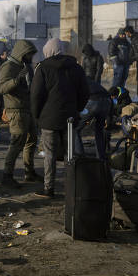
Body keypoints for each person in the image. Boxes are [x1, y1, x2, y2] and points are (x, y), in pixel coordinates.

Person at [31, 38, 90, 198]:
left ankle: (48, 189)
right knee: (70, 155)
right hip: (70, 119)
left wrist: (37, 116)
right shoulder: (76, 68)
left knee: (49, 154)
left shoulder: (42, 68)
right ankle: (71, 188)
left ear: (48, 52)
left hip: (48, 119)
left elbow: (36, 95)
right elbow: (85, 92)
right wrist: (77, 109)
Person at [0, 40, 40, 188]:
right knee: (16, 142)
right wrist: (17, 80)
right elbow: (1, 88)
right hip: (16, 110)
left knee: (32, 140)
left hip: (27, 109)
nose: (31, 57)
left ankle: (29, 172)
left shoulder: (25, 67)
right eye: (29, 54)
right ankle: (7, 176)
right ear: (22, 53)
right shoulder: (8, 66)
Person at [75, 80, 112, 159]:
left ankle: (80, 158)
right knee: (99, 130)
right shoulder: (87, 80)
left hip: (93, 101)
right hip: (107, 101)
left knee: (75, 129)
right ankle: (101, 158)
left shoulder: (72, 80)